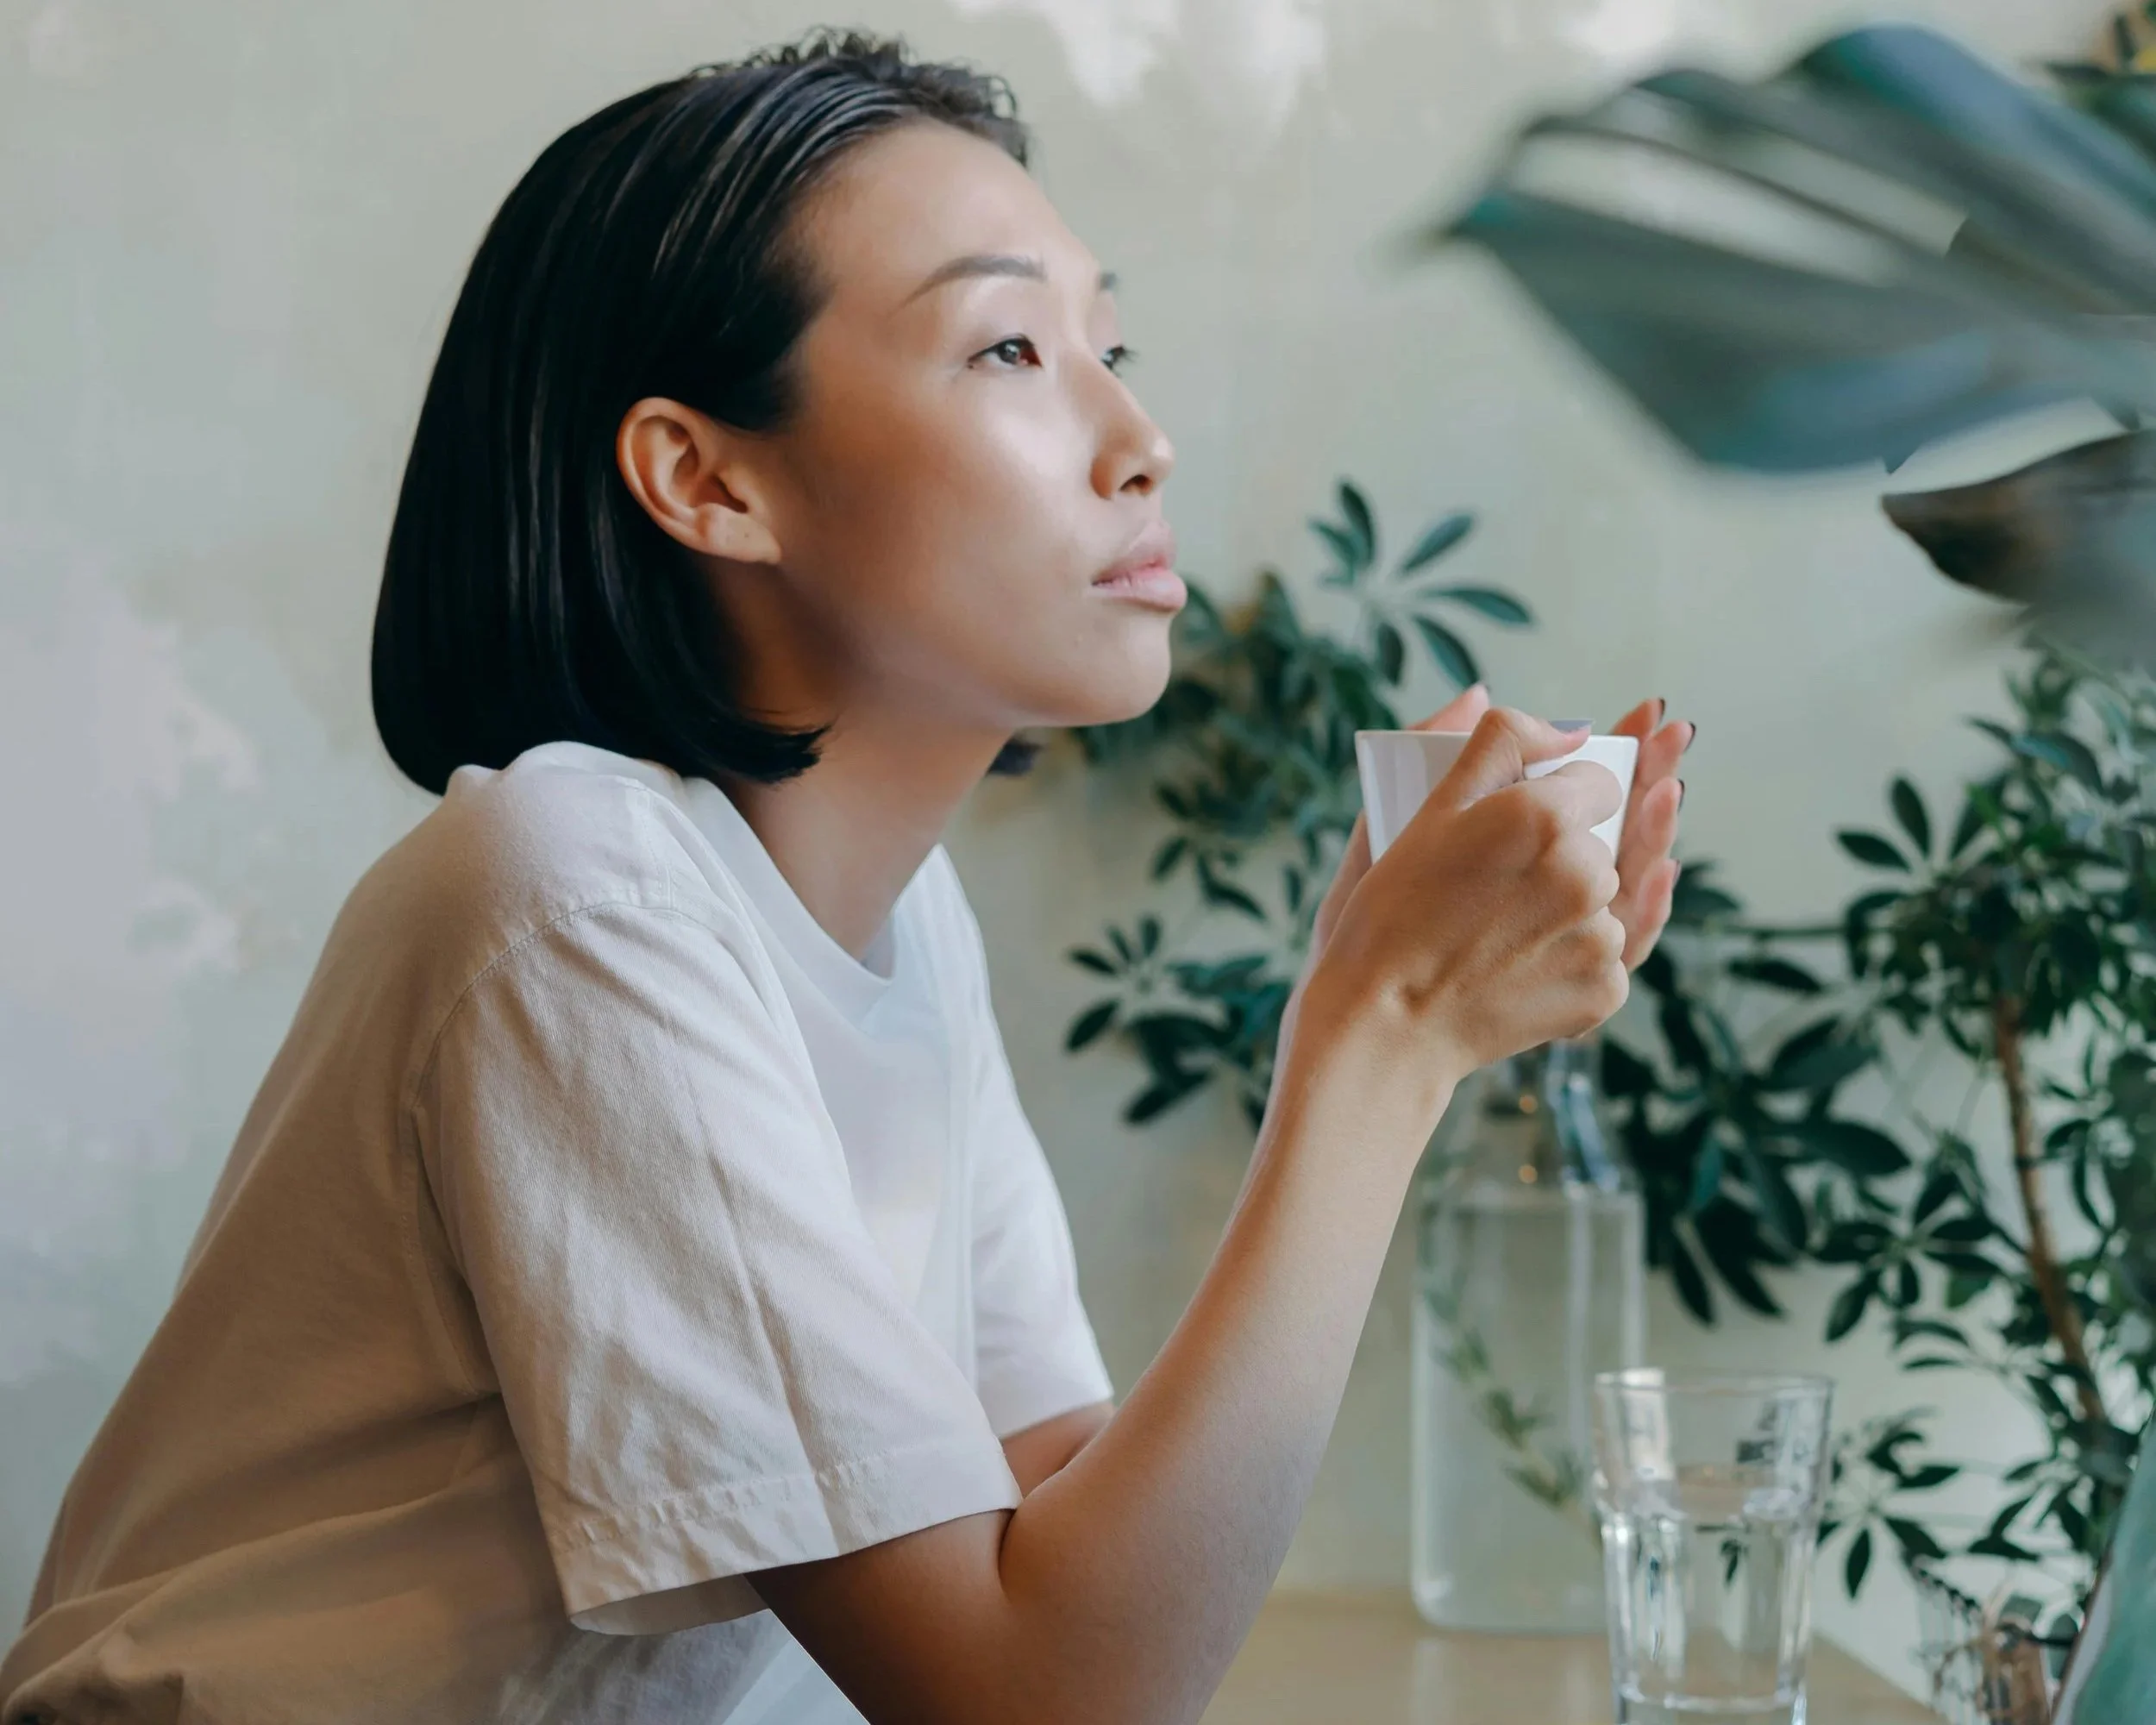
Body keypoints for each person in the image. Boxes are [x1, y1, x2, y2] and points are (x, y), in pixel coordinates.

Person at [0, 30, 1688, 1725]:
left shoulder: (896, 932)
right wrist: (1374, 1035)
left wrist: (1396, 1000)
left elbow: (1071, 1547)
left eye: (1112, 342)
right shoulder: (567, 889)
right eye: (1011, 345)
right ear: (708, 479)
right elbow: (1037, 1695)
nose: (1138, 438)